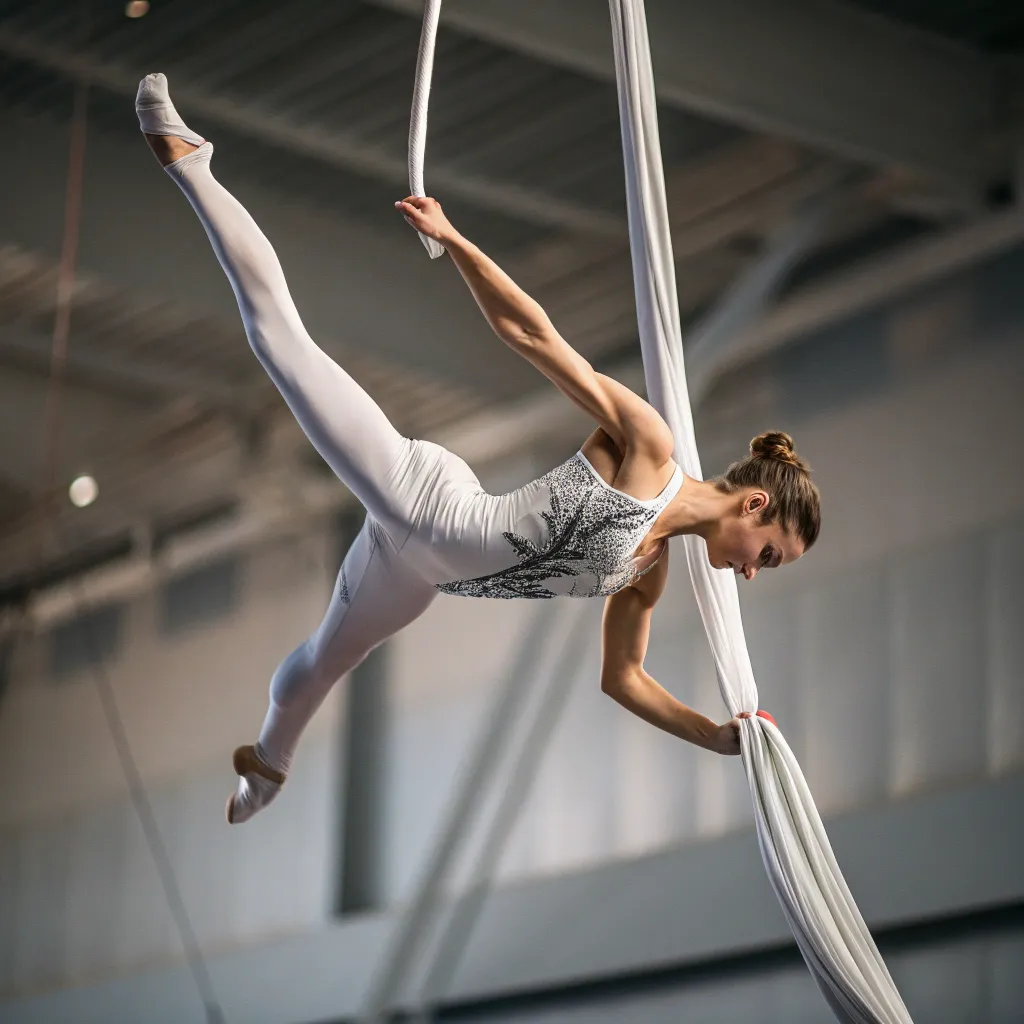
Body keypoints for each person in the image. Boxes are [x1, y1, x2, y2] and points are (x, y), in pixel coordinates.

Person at [135, 75, 821, 824]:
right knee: (280, 344)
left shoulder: (648, 574)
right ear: (755, 504)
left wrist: (717, 738)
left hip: (423, 571)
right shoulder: (650, 449)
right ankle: (192, 161)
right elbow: (536, 336)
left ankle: (265, 771)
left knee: (318, 669)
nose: (753, 573)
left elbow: (622, 679)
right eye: (770, 553)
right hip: (421, 499)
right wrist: (455, 240)